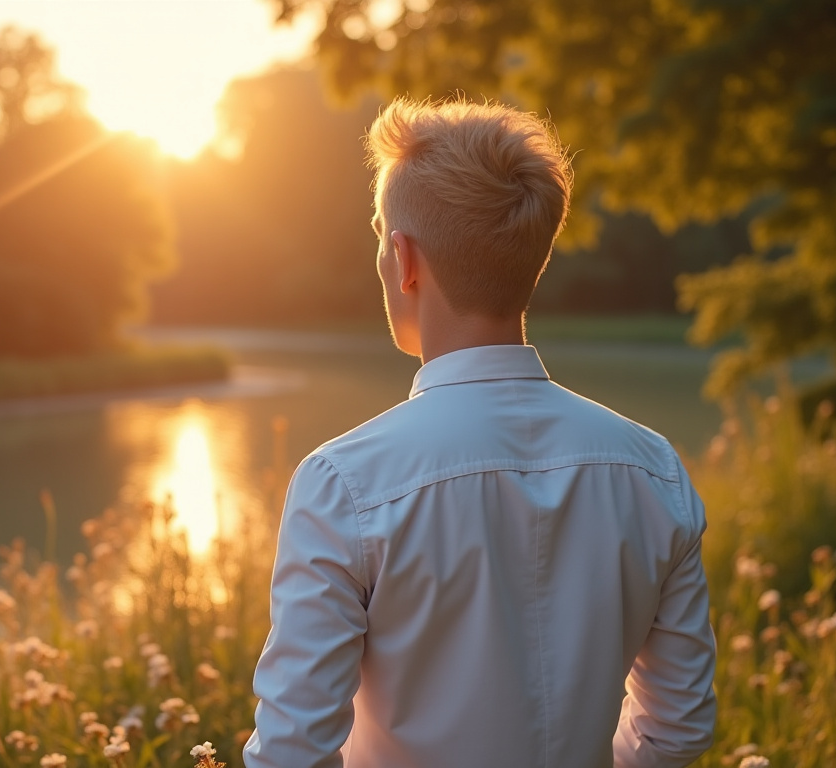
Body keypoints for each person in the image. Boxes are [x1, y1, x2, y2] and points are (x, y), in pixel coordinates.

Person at [242, 97, 717, 768]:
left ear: (403, 259)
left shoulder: (343, 483)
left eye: (380, 236)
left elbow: (292, 754)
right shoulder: (653, 470)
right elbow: (678, 730)